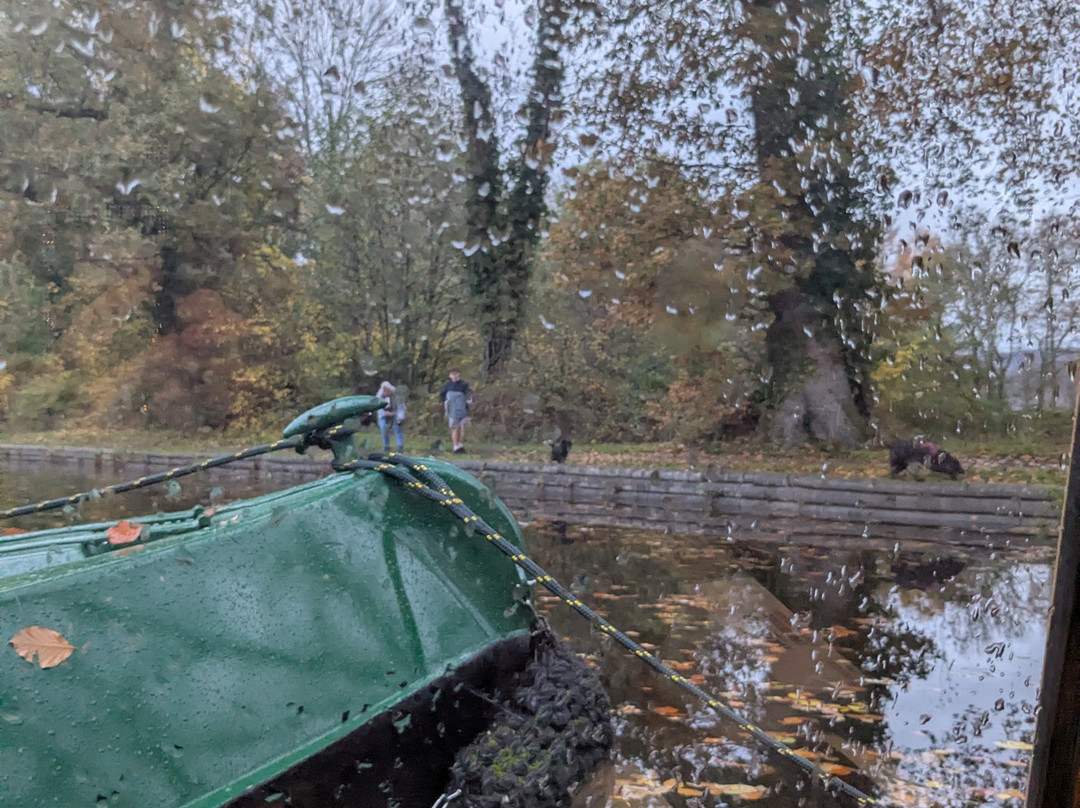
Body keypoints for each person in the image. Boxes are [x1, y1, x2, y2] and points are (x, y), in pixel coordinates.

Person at [438, 369, 473, 454]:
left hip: (463, 410)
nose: (454, 376)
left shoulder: (464, 385)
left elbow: (469, 394)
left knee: (463, 428)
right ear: (450, 376)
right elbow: (442, 395)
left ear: (459, 375)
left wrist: (469, 399)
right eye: (452, 374)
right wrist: (445, 403)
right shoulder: (447, 385)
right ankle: (455, 447)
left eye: (456, 374)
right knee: (455, 428)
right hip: (452, 410)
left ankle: (460, 445)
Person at [376, 381, 406, 452]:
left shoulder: (397, 395)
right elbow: (378, 408)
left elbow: (401, 407)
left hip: (395, 412)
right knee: (383, 428)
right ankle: (386, 447)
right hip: (384, 414)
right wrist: (385, 413)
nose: (385, 394)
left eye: (387, 392)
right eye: (384, 392)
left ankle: (400, 447)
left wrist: (400, 418)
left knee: (398, 427)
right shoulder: (379, 395)